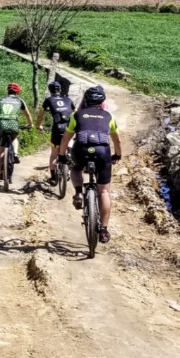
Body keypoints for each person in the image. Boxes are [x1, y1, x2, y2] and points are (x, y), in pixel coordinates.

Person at [57, 85, 123, 243]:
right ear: (102, 101)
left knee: (75, 167)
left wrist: (61, 155)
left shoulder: (76, 115)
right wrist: (118, 155)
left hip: (81, 150)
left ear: (85, 100)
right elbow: (117, 140)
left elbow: (66, 139)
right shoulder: (109, 116)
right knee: (104, 192)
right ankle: (104, 230)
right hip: (102, 152)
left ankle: (79, 192)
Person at [0, 83, 36, 182]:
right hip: (14, 123)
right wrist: (30, 124)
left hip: (2, 124)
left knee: (1, 150)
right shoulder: (20, 101)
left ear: (7, 90)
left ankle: (1, 172)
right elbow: (27, 114)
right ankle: (16, 153)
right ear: (17, 92)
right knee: (14, 138)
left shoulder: (0, 100)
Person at [40, 78, 76, 175]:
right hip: (69, 126)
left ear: (50, 90)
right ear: (60, 90)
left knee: (54, 153)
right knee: (70, 139)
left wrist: (38, 125)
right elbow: (74, 113)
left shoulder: (48, 100)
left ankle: (52, 177)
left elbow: (41, 114)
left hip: (57, 127)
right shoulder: (67, 99)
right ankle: (69, 152)